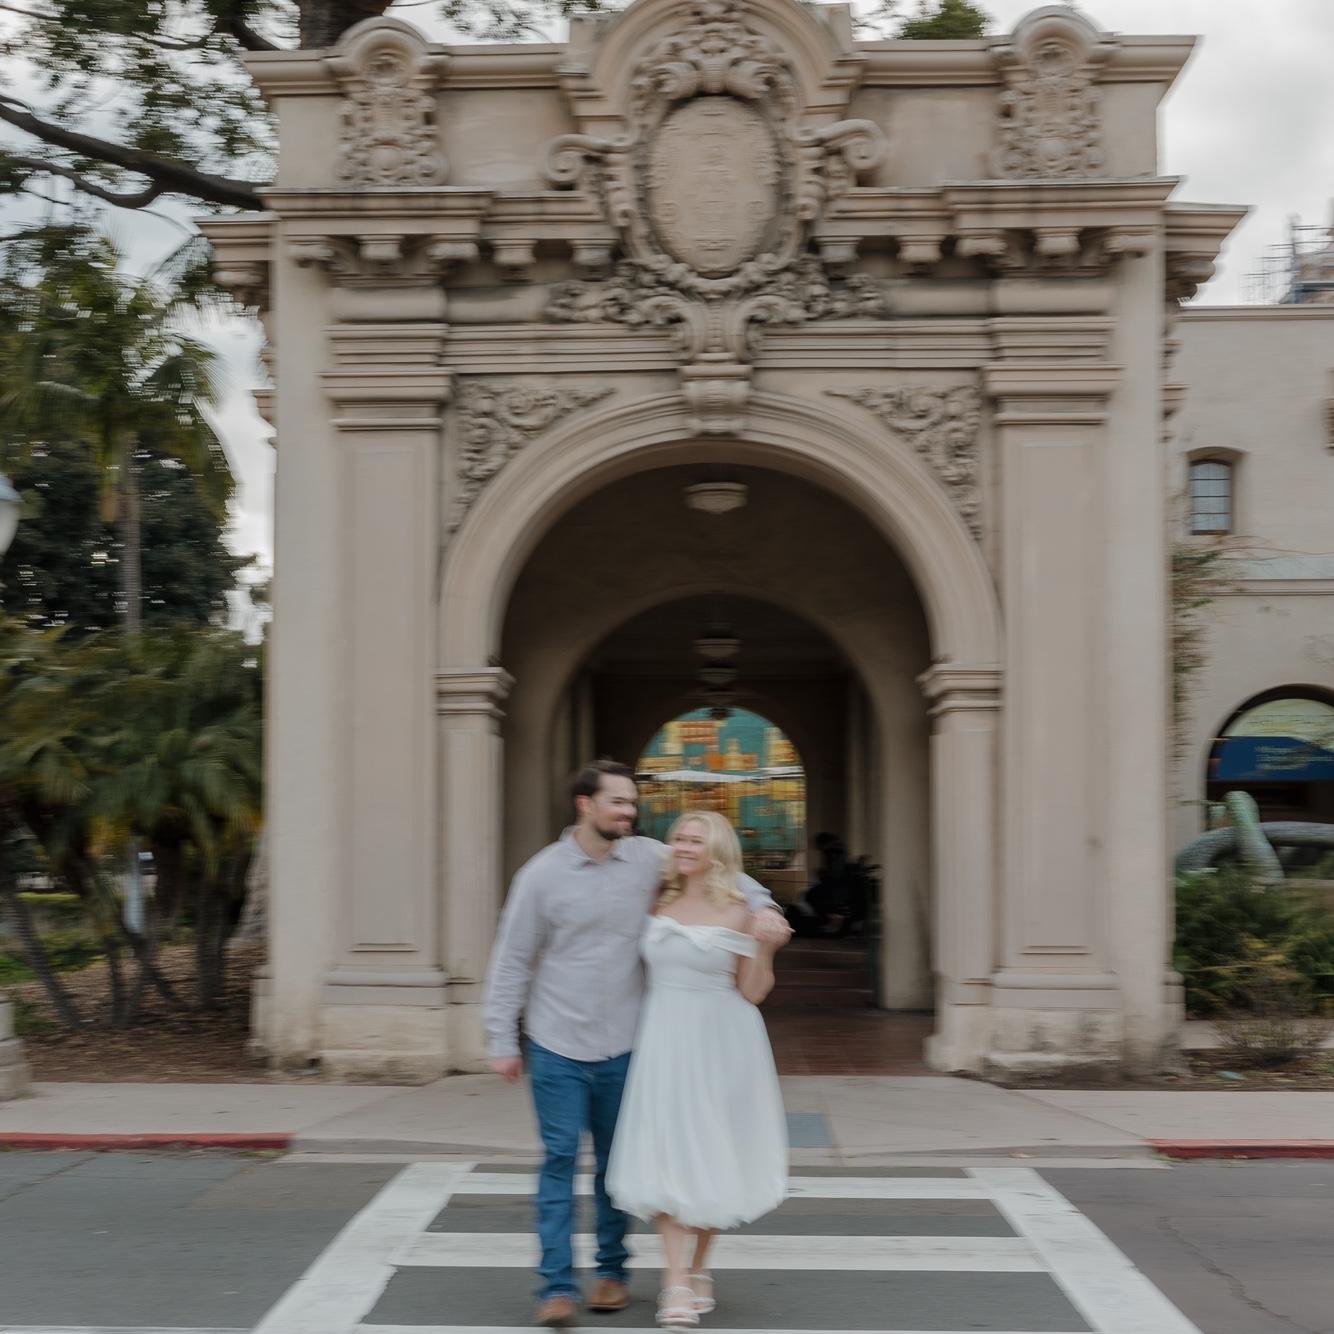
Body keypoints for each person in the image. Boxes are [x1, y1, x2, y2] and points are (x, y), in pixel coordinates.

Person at [482, 760, 792, 1329]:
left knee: (616, 1167)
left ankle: (612, 1274)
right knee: (559, 1160)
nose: (630, 811)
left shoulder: (649, 857)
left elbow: (724, 870)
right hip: (557, 1040)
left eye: (632, 802)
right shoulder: (541, 875)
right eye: (619, 802)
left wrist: (767, 908)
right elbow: (513, 959)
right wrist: (502, 1036)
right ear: (586, 805)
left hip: (629, 1043)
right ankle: (556, 1287)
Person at [606, 810, 787, 1329]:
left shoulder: (741, 910)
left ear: (717, 853)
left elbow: (752, 991)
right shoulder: (656, 898)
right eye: (679, 839)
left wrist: (767, 948)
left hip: (724, 1044)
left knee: (714, 1154)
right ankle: (676, 1281)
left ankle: (700, 1265)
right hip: (663, 1040)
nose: (683, 847)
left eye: (695, 841)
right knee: (667, 1153)